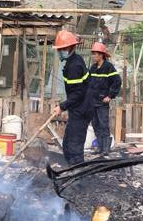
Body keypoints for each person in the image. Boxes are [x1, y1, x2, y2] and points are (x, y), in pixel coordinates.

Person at [52, 30, 90, 166]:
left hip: (82, 108)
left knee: (74, 146)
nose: (60, 51)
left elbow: (78, 93)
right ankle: (71, 170)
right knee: (67, 144)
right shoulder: (73, 61)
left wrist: (62, 106)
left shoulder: (74, 66)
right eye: (59, 49)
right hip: (78, 107)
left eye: (63, 49)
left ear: (71, 47)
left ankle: (78, 175)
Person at [86, 41, 121, 156]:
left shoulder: (108, 67)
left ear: (101, 55)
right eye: (93, 54)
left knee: (103, 124)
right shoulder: (93, 68)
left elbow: (117, 81)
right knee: (95, 124)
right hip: (92, 101)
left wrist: (110, 96)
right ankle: (100, 148)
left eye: (95, 54)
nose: (93, 56)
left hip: (102, 102)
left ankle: (106, 149)